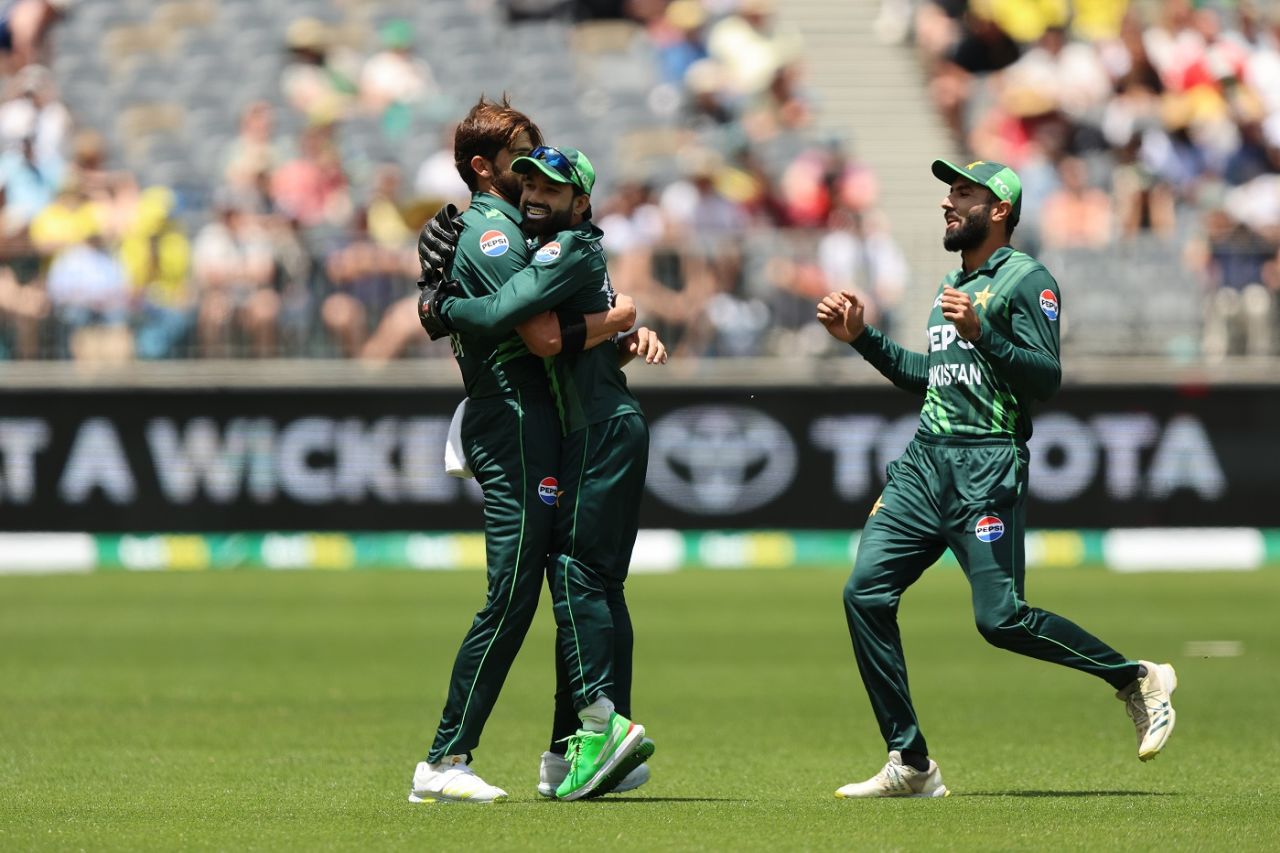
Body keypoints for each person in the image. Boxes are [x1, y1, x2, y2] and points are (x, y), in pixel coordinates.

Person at [816, 158, 1178, 798]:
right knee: (864, 594)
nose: (947, 203)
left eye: (962, 193)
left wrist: (984, 334)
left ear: (1000, 210)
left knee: (1000, 620)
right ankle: (911, 762)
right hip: (925, 464)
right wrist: (863, 338)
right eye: (948, 192)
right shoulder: (953, 283)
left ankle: (1134, 677)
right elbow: (930, 376)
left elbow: (1045, 379)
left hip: (987, 465)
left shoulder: (1027, 280)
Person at [406, 98, 636, 805]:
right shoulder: (494, 232)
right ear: (484, 167)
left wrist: (617, 327)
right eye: (520, 158)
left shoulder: (517, 226)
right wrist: (437, 306)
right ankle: (443, 759)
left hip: (537, 417)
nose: (532, 173)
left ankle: (569, 752)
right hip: (514, 417)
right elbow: (532, 323)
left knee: (561, 581)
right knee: (511, 591)